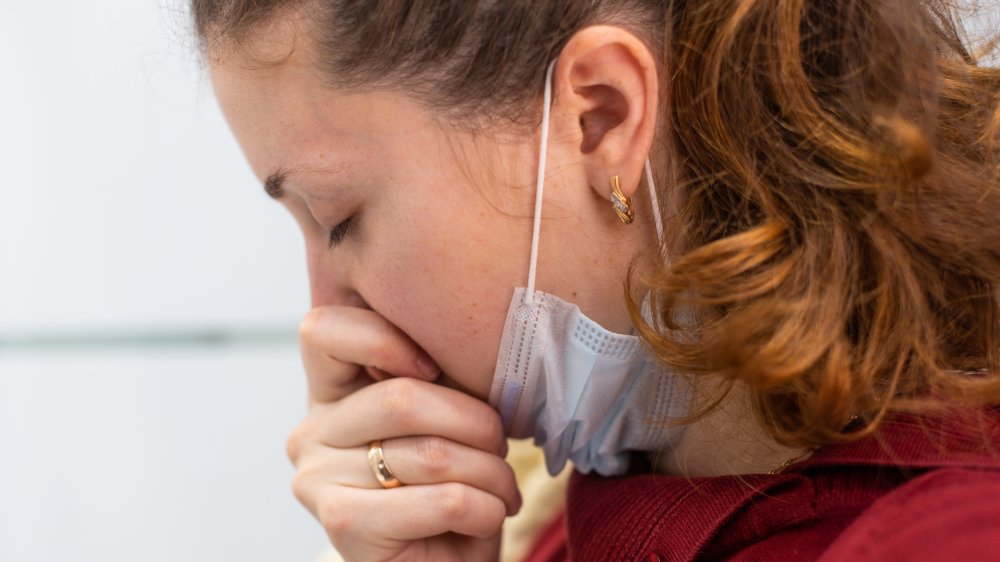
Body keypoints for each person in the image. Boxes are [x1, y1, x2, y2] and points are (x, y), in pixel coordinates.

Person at [192, 0, 1000, 560]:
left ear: (601, 116)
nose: (323, 312)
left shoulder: (946, 540)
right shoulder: (565, 501)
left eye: (338, 218)